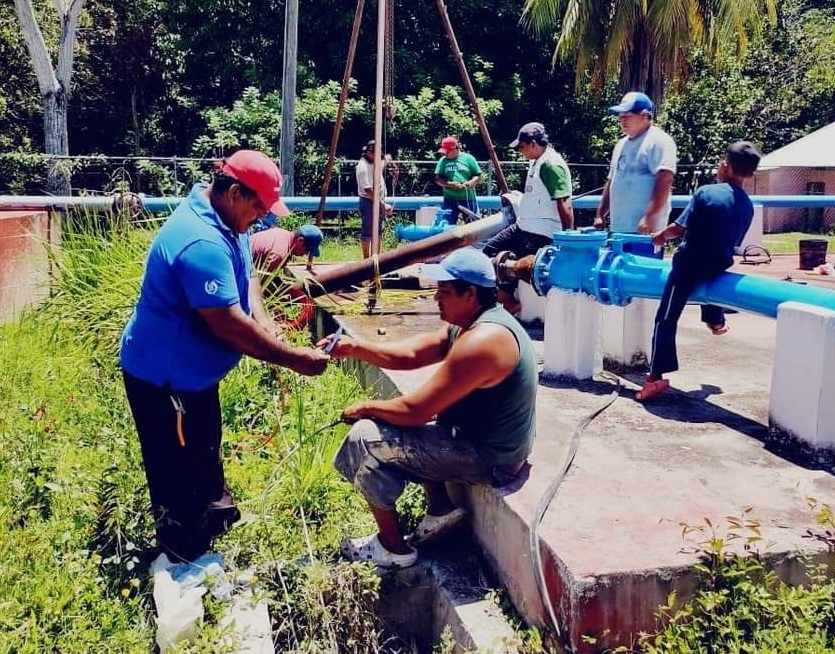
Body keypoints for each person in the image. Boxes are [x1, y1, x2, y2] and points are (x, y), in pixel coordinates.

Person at [119, 149, 331, 564]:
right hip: (165, 381)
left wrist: (266, 320)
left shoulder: (225, 217)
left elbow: (248, 274)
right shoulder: (199, 241)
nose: (264, 219)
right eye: (260, 208)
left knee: (204, 443)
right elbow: (229, 326)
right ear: (235, 192)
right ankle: (184, 554)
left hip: (193, 378)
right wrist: (295, 359)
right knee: (176, 467)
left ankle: (215, 517)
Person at [322, 247, 537, 568]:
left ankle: (393, 549)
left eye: (445, 291)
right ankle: (440, 510)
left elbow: (417, 410)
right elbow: (410, 355)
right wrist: (353, 347)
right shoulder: (469, 324)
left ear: (471, 294)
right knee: (406, 425)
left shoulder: (483, 341)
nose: (437, 297)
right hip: (479, 440)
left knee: (365, 438)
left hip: (491, 459)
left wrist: (366, 407)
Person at [636, 141, 761, 402]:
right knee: (711, 281)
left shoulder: (706, 193)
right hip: (719, 265)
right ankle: (715, 319)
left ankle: (654, 377)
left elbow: (680, 228)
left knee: (666, 318)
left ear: (725, 165)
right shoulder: (747, 205)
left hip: (689, 266)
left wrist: (660, 236)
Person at [482, 122, 573, 315]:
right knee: (488, 252)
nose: (520, 151)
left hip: (540, 231)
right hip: (524, 226)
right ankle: (507, 299)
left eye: (522, 147)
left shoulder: (550, 165)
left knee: (514, 264)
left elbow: (564, 202)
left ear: (533, 144)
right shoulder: (537, 161)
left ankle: (509, 304)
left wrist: (567, 238)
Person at [594, 92, 677, 235]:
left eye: (628, 115)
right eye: (621, 116)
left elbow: (665, 179)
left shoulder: (659, 140)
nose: (622, 120)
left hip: (646, 230)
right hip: (619, 229)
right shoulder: (621, 144)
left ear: (645, 115)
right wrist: (600, 214)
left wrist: (648, 217)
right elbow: (612, 180)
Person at [355, 141, 394, 259]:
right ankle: (366, 261)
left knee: (378, 231)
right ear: (370, 153)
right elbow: (367, 190)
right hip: (368, 202)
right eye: (378, 153)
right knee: (368, 231)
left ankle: (376, 258)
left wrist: (386, 161)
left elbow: (379, 168)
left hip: (377, 201)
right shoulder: (363, 167)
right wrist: (382, 204)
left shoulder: (372, 162)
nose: (380, 155)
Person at [434, 136, 483, 223]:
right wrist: (449, 184)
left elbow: (478, 176)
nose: (444, 154)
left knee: (473, 224)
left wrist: (471, 182)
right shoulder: (443, 161)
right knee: (447, 225)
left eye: (446, 152)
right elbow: (437, 179)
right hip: (449, 199)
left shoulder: (469, 159)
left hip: (468, 199)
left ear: (454, 149)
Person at [250, 224, 324, 273]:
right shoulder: (279, 254)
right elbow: (264, 282)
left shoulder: (283, 234)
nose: (305, 254)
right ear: (300, 241)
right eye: (307, 251)